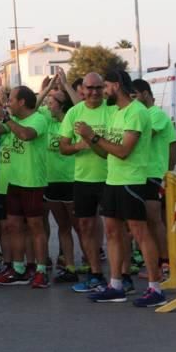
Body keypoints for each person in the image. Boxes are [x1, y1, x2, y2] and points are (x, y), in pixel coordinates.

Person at [78, 70, 165, 307]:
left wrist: (93, 137)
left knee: (139, 233)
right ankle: (115, 285)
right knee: (113, 233)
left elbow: (124, 151)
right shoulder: (117, 113)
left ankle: (155, 288)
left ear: (115, 86)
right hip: (113, 180)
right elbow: (105, 151)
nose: (103, 91)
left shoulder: (136, 112)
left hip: (132, 180)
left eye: (105, 86)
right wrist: (89, 139)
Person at [0, 86, 50, 288]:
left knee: (35, 227)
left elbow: (25, 135)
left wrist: (6, 119)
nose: (8, 104)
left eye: (11, 100)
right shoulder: (15, 121)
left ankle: (40, 270)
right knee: (14, 226)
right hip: (13, 182)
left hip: (32, 181)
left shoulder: (38, 119)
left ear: (22, 102)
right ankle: (19, 268)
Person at [59, 72, 115, 292]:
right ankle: (95, 273)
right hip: (83, 179)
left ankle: (119, 277)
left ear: (104, 89)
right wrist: (78, 147)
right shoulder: (74, 112)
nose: (93, 92)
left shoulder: (111, 111)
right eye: (89, 88)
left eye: (98, 88)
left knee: (114, 230)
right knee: (85, 227)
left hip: (111, 178)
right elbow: (63, 146)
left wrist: (92, 139)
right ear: (81, 89)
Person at [132, 78, 176, 280]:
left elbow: (142, 135)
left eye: (135, 95)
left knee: (154, 219)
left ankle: (166, 262)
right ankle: (158, 264)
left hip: (152, 173)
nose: (133, 100)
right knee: (147, 221)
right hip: (142, 173)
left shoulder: (155, 114)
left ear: (144, 93)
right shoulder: (143, 113)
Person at [37, 82, 78, 283]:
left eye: (51, 102)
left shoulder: (71, 121)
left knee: (80, 227)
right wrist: (47, 88)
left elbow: (79, 106)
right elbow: (33, 107)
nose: (48, 105)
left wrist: (66, 85)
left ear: (61, 105)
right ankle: (70, 266)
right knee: (63, 227)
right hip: (52, 182)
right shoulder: (47, 120)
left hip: (71, 180)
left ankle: (92, 265)